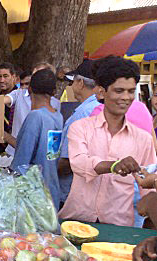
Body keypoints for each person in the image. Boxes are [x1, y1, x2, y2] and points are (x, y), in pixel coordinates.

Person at [58, 56, 157, 227]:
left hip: (119, 226)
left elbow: (148, 182)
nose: (126, 97)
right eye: (119, 91)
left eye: (130, 91)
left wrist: (149, 207)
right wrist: (113, 166)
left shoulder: (143, 139)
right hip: (77, 220)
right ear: (102, 92)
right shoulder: (80, 128)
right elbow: (79, 163)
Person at [11, 68, 63, 209]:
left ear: (30, 89)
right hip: (52, 192)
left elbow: (21, 163)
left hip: (34, 198)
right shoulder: (58, 116)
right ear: (53, 92)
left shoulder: (36, 117)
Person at [57, 59, 100, 206]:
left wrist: (47, 174)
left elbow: (69, 161)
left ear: (80, 83)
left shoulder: (82, 114)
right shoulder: (98, 107)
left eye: (72, 82)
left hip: (72, 193)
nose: (72, 86)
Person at [3, 61, 60, 156]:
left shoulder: (35, 116)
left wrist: (5, 136)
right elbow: (52, 153)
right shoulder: (57, 116)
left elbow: (26, 148)